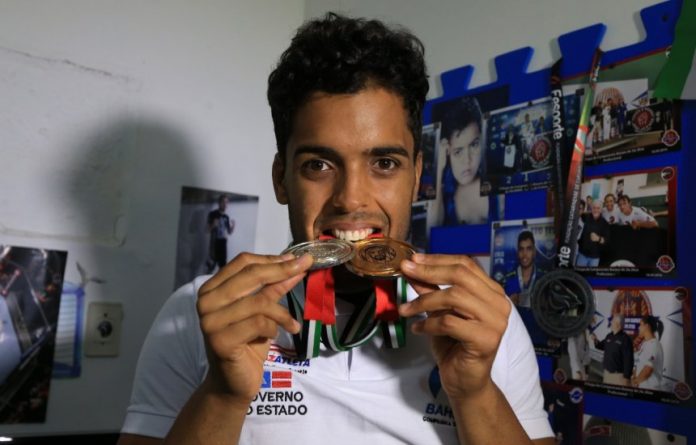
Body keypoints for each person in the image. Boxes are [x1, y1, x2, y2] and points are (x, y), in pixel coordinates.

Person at [118, 13, 553, 445]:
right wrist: (222, 396)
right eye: (319, 165)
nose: (351, 198)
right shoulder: (197, 314)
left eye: (384, 164)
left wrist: (474, 394)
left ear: (417, 176)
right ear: (281, 178)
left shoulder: (483, 319)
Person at [437, 96, 488, 225]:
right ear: (447, 150)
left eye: (474, 145)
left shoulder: (493, 184)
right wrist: (438, 170)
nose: (467, 160)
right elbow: (430, 233)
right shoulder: (445, 192)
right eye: (458, 152)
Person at [591, 313, 634, 386]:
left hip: (618, 376)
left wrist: (626, 378)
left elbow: (628, 360)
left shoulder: (625, 339)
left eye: (613, 321)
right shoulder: (609, 336)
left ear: (618, 324)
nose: (611, 322)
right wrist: (595, 340)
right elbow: (600, 346)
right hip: (607, 374)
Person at [504, 230, 543, 308]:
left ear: (534, 252)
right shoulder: (507, 279)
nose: (524, 254)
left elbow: (550, 305)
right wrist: (507, 303)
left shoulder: (544, 278)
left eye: (528, 249)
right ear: (518, 252)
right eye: (521, 249)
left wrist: (520, 299)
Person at [632, 315, 664, 390]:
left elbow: (648, 370)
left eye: (640, 325)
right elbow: (638, 364)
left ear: (647, 326)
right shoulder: (645, 344)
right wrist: (634, 377)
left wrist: (634, 382)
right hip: (642, 388)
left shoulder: (654, 345)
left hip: (651, 391)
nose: (638, 328)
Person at [575, 200, 610, 268]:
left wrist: (598, 238)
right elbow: (577, 214)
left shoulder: (605, 223)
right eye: (594, 208)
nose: (596, 210)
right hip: (582, 254)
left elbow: (606, 240)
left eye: (598, 208)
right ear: (591, 209)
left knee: (591, 276)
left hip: (595, 258)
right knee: (580, 275)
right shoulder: (585, 217)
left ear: (601, 209)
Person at [206, 195, 235, 272]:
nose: (225, 204)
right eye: (223, 202)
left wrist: (233, 226)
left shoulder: (226, 216)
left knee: (223, 267)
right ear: (219, 203)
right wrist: (213, 225)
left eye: (227, 202)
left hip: (223, 243)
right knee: (211, 266)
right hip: (214, 243)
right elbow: (207, 230)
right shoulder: (213, 214)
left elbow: (229, 232)